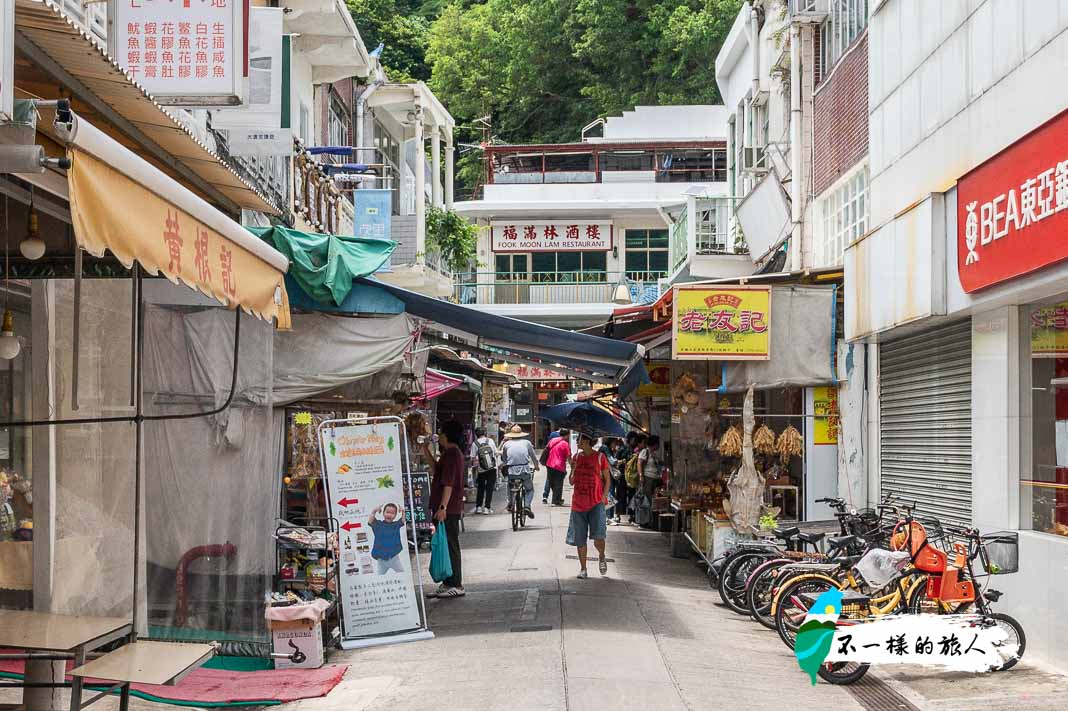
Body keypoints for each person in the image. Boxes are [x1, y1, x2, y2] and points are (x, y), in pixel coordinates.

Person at [423, 420, 466, 598]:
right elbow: (435, 470)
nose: (439, 435)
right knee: (444, 543)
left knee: (450, 544)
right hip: (445, 507)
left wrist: (443, 507)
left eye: (441, 432)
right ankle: (448, 582)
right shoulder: (448, 454)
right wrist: (424, 449)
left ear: (447, 435)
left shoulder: (453, 454)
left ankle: (456, 583)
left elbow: (448, 483)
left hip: (449, 508)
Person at [567, 433, 612, 579]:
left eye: (579, 439)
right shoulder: (576, 458)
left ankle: (601, 555)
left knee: (599, 536)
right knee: (580, 538)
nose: (577, 442)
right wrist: (572, 468)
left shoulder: (600, 457)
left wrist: (603, 496)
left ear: (586, 441)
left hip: (596, 503)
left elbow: (607, 479)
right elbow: (571, 482)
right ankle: (583, 568)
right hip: (578, 503)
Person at [499, 425, 539, 519]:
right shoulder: (527, 442)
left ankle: (510, 502)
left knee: (510, 486)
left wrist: (504, 464)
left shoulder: (507, 444)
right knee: (529, 489)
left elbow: (504, 459)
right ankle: (527, 506)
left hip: (511, 471)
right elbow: (533, 456)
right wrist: (536, 466)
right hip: (524, 470)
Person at [368, 503, 406, 575]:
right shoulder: (378, 524)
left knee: (402, 574)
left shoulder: (396, 525)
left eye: (392, 513)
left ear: (395, 515)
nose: (389, 515)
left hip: (394, 558)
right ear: (383, 513)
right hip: (381, 560)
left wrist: (403, 511)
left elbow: (403, 520)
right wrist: (374, 511)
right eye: (387, 512)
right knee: (379, 576)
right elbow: (370, 521)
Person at [469, 427, 498, 514]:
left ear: (476, 434)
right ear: (485, 433)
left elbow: (472, 457)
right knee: (489, 487)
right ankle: (487, 507)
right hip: (492, 468)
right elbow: (495, 453)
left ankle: (478, 507)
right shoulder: (490, 441)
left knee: (481, 487)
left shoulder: (475, 443)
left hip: (481, 469)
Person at [544, 428, 572, 506]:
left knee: (552, 482)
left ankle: (557, 499)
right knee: (558, 483)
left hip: (549, 464)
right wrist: (572, 465)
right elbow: (568, 456)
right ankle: (556, 500)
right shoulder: (565, 443)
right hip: (559, 465)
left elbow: (547, 448)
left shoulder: (552, 440)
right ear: (567, 435)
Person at [639, 434, 663, 502]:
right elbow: (639, 463)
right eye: (658, 443)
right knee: (647, 498)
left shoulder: (654, 453)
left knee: (653, 498)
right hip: (648, 478)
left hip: (655, 478)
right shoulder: (645, 451)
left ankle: (651, 512)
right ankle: (647, 512)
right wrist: (641, 476)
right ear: (655, 444)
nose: (659, 445)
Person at [540, 429, 560, 503]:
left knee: (549, 479)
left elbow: (548, 446)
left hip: (550, 460)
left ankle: (545, 495)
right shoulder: (562, 438)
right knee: (558, 481)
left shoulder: (552, 435)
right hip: (558, 462)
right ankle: (556, 497)